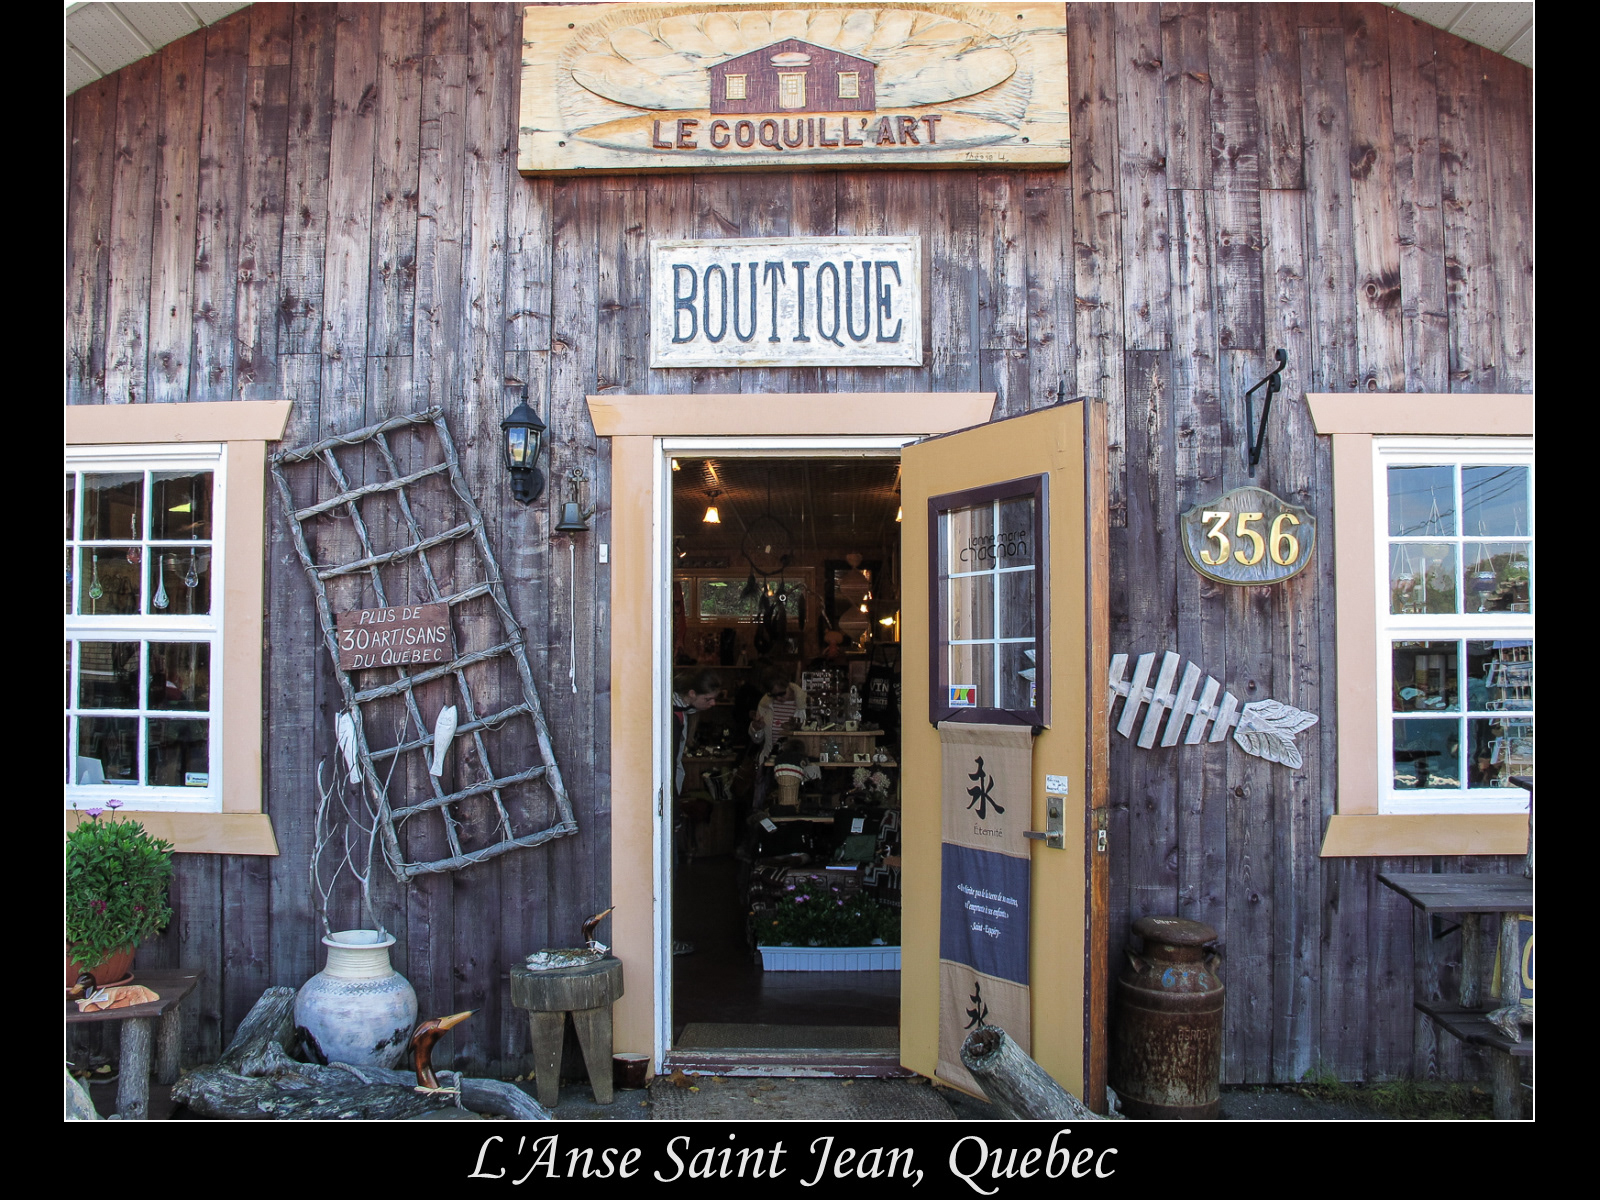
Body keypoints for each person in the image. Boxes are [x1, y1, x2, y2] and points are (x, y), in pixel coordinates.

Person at [670, 670, 720, 956]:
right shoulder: (673, 716)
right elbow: (666, 765)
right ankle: (665, 941)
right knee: (669, 872)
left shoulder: (681, 712)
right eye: (708, 699)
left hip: (670, 797)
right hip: (666, 802)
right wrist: (675, 812)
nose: (713, 704)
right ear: (691, 694)